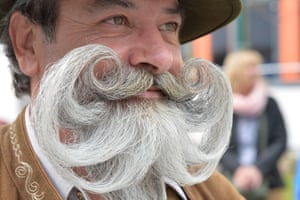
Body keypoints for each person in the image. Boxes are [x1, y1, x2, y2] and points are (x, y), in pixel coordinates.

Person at [0, 0, 245, 199]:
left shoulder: (214, 192)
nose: (161, 58)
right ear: (28, 43)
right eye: (117, 20)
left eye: (169, 26)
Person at [220, 49, 287, 200]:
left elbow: (280, 140)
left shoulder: (269, 104)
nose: (255, 72)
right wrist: (238, 169)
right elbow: (218, 145)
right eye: (249, 67)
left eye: (256, 67)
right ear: (236, 72)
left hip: (268, 180)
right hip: (231, 179)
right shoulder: (224, 106)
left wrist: (258, 169)